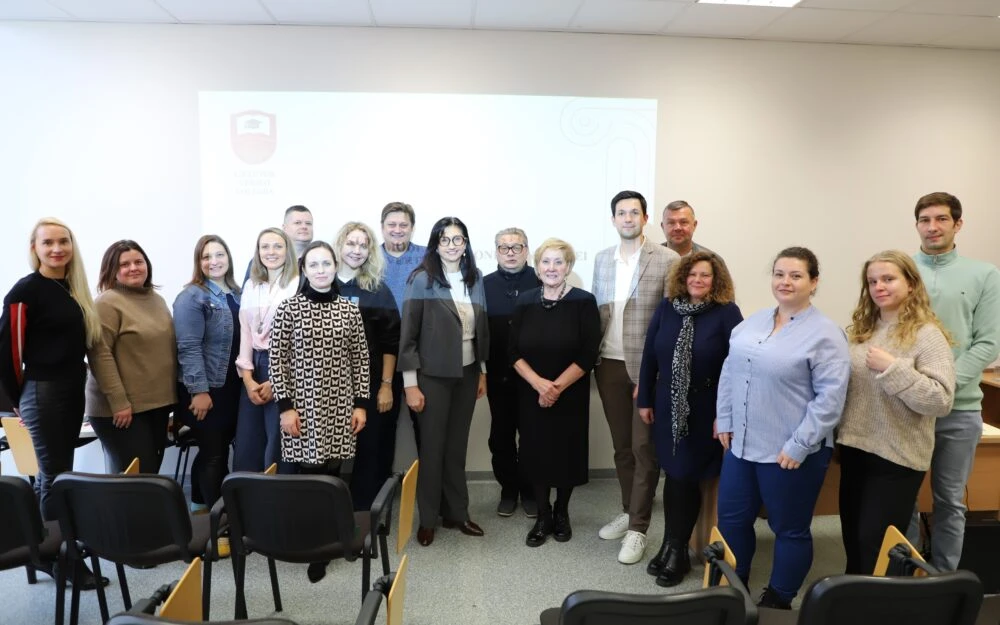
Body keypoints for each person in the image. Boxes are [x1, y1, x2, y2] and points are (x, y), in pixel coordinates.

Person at [716, 246, 849, 610]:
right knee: (731, 520)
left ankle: (778, 599)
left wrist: (799, 445)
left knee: (789, 528)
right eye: (779, 274)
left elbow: (830, 399)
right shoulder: (752, 323)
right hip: (742, 445)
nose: (785, 282)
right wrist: (724, 417)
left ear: (814, 282)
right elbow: (730, 371)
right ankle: (735, 585)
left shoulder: (825, 334)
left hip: (789, 451)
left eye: (795, 275)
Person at [0, 217, 107, 588]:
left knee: (55, 474)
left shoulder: (72, 289)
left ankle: (48, 553)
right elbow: (8, 352)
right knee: (55, 477)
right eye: (48, 243)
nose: (57, 248)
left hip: (70, 388)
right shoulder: (25, 291)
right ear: (35, 248)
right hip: (42, 392)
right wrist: (17, 400)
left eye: (63, 241)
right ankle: (62, 560)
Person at [838, 250, 955, 575]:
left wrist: (893, 369)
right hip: (855, 448)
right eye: (872, 281)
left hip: (897, 456)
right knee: (853, 539)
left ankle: (882, 602)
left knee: (875, 544)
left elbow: (941, 400)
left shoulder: (927, 335)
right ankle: (854, 598)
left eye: (888, 279)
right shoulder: (863, 330)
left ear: (911, 284)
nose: (879, 287)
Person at [906, 192, 1000, 571]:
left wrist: (942, 385)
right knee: (904, 500)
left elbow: (988, 342)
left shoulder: (985, 274)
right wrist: (916, 389)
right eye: (925, 220)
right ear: (917, 225)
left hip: (959, 409)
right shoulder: (900, 270)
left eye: (942, 219)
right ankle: (904, 577)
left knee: (949, 500)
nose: (933, 227)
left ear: (958, 224)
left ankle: (943, 580)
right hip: (906, 408)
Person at [637, 251, 742, 587]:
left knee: (685, 474)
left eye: (705, 275)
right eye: (692, 274)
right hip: (666, 403)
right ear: (683, 278)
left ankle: (677, 551)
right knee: (674, 475)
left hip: (705, 407)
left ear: (716, 280)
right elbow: (650, 354)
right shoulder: (668, 308)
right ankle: (672, 545)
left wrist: (725, 414)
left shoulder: (726, 313)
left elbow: (737, 367)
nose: (697, 280)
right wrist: (644, 399)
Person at [270, 241, 370, 583]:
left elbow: (360, 360)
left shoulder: (349, 310)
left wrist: (361, 404)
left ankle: (334, 536)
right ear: (304, 270)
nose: (321, 270)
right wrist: (285, 408)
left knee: (334, 475)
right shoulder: (289, 309)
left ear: (335, 266)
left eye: (326, 263)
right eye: (313, 264)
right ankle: (315, 545)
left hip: (340, 405)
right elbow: (277, 361)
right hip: (303, 407)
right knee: (311, 478)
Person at [592, 190, 678, 565]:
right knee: (622, 446)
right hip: (608, 363)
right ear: (613, 219)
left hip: (648, 368)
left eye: (634, 212)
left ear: (644, 218)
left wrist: (655, 370)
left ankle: (639, 529)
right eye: (621, 213)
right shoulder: (602, 259)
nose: (627, 218)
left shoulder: (667, 259)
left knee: (645, 449)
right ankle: (629, 511)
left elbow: (671, 319)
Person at [398, 217, 489, 547]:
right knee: (433, 449)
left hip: (467, 374)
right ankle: (427, 519)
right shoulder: (421, 279)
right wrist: (410, 384)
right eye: (445, 239)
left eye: (458, 239)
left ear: (466, 244)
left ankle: (457, 514)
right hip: (432, 377)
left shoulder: (474, 278)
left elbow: (481, 331)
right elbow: (408, 336)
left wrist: (482, 372)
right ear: (436, 245)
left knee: (456, 448)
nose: (452, 245)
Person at [510, 239, 600, 547]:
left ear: (569, 267)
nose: (551, 268)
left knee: (566, 452)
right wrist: (539, 384)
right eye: (546, 262)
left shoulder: (584, 301)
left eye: (558, 262)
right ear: (537, 267)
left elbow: (589, 353)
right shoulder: (525, 301)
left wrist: (556, 388)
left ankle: (562, 512)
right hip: (531, 392)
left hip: (570, 393)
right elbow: (512, 351)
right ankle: (543, 515)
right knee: (535, 451)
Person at [85, 240, 177, 474]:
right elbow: (99, 355)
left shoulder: (157, 300)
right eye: (124, 264)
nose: (133, 268)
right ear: (111, 270)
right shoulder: (107, 303)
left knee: (149, 475)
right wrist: (119, 403)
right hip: (121, 410)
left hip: (156, 406)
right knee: (137, 477)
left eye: (138, 262)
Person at [333, 221, 401, 511]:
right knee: (327, 452)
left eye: (363, 245)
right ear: (339, 245)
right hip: (329, 385)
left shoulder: (378, 290)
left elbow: (390, 343)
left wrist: (386, 385)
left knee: (372, 450)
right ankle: (328, 512)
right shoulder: (320, 284)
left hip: (371, 383)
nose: (356, 250)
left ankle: (365, 515)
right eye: (351, 243)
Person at [173, 235, 243, 510]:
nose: (214, 261)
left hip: (232, 387)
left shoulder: (237, 293)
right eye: (206, 257)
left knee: (216, 450)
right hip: (207, 388)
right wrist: (199, 391)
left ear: (229, 258)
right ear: (198, 262)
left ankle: (200, 506)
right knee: (215, 454)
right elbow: (188, 347)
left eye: (219, 255)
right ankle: (220, 521)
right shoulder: (192, 296)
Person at [483, 227, 542, 518]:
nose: (510, 253)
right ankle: (508, 489)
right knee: (501, 436)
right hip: (498, 375)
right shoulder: (483, 285)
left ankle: (530, 491)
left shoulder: (542, 279)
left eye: (516, 247)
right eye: (503, 247)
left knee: (532, 435)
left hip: (535, 377)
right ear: (495, 252)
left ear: (526, 250)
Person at [233, 227, 299, 473]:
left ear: (287, 250)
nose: (271, 252)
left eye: (278, 246)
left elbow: (300, 340)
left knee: (279, 443)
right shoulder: (251, 285)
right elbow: (245, 332)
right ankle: (248, 495)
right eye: (265, 247)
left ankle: (278, 496)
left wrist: (277, 381)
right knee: (248, 441)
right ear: (258, 252)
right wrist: (247, 379)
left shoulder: (298, 283)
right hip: (253, 366)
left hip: (285, 366)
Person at [380, 201, 427, 450]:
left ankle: (430, 475)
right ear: (382, 227)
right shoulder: (370, 257)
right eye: (392, 224)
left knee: (425, 424)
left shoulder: (427, 257)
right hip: (380, 352)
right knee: (382, 426)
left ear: (412, 228)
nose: (397, 230)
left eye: (403, 225)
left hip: (419, 352)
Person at [243, 205, 313, 284]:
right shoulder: (262, 261)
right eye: (298, 223)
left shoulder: (318, 261)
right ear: (284, 228)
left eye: (308, 223)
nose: (304, 227)